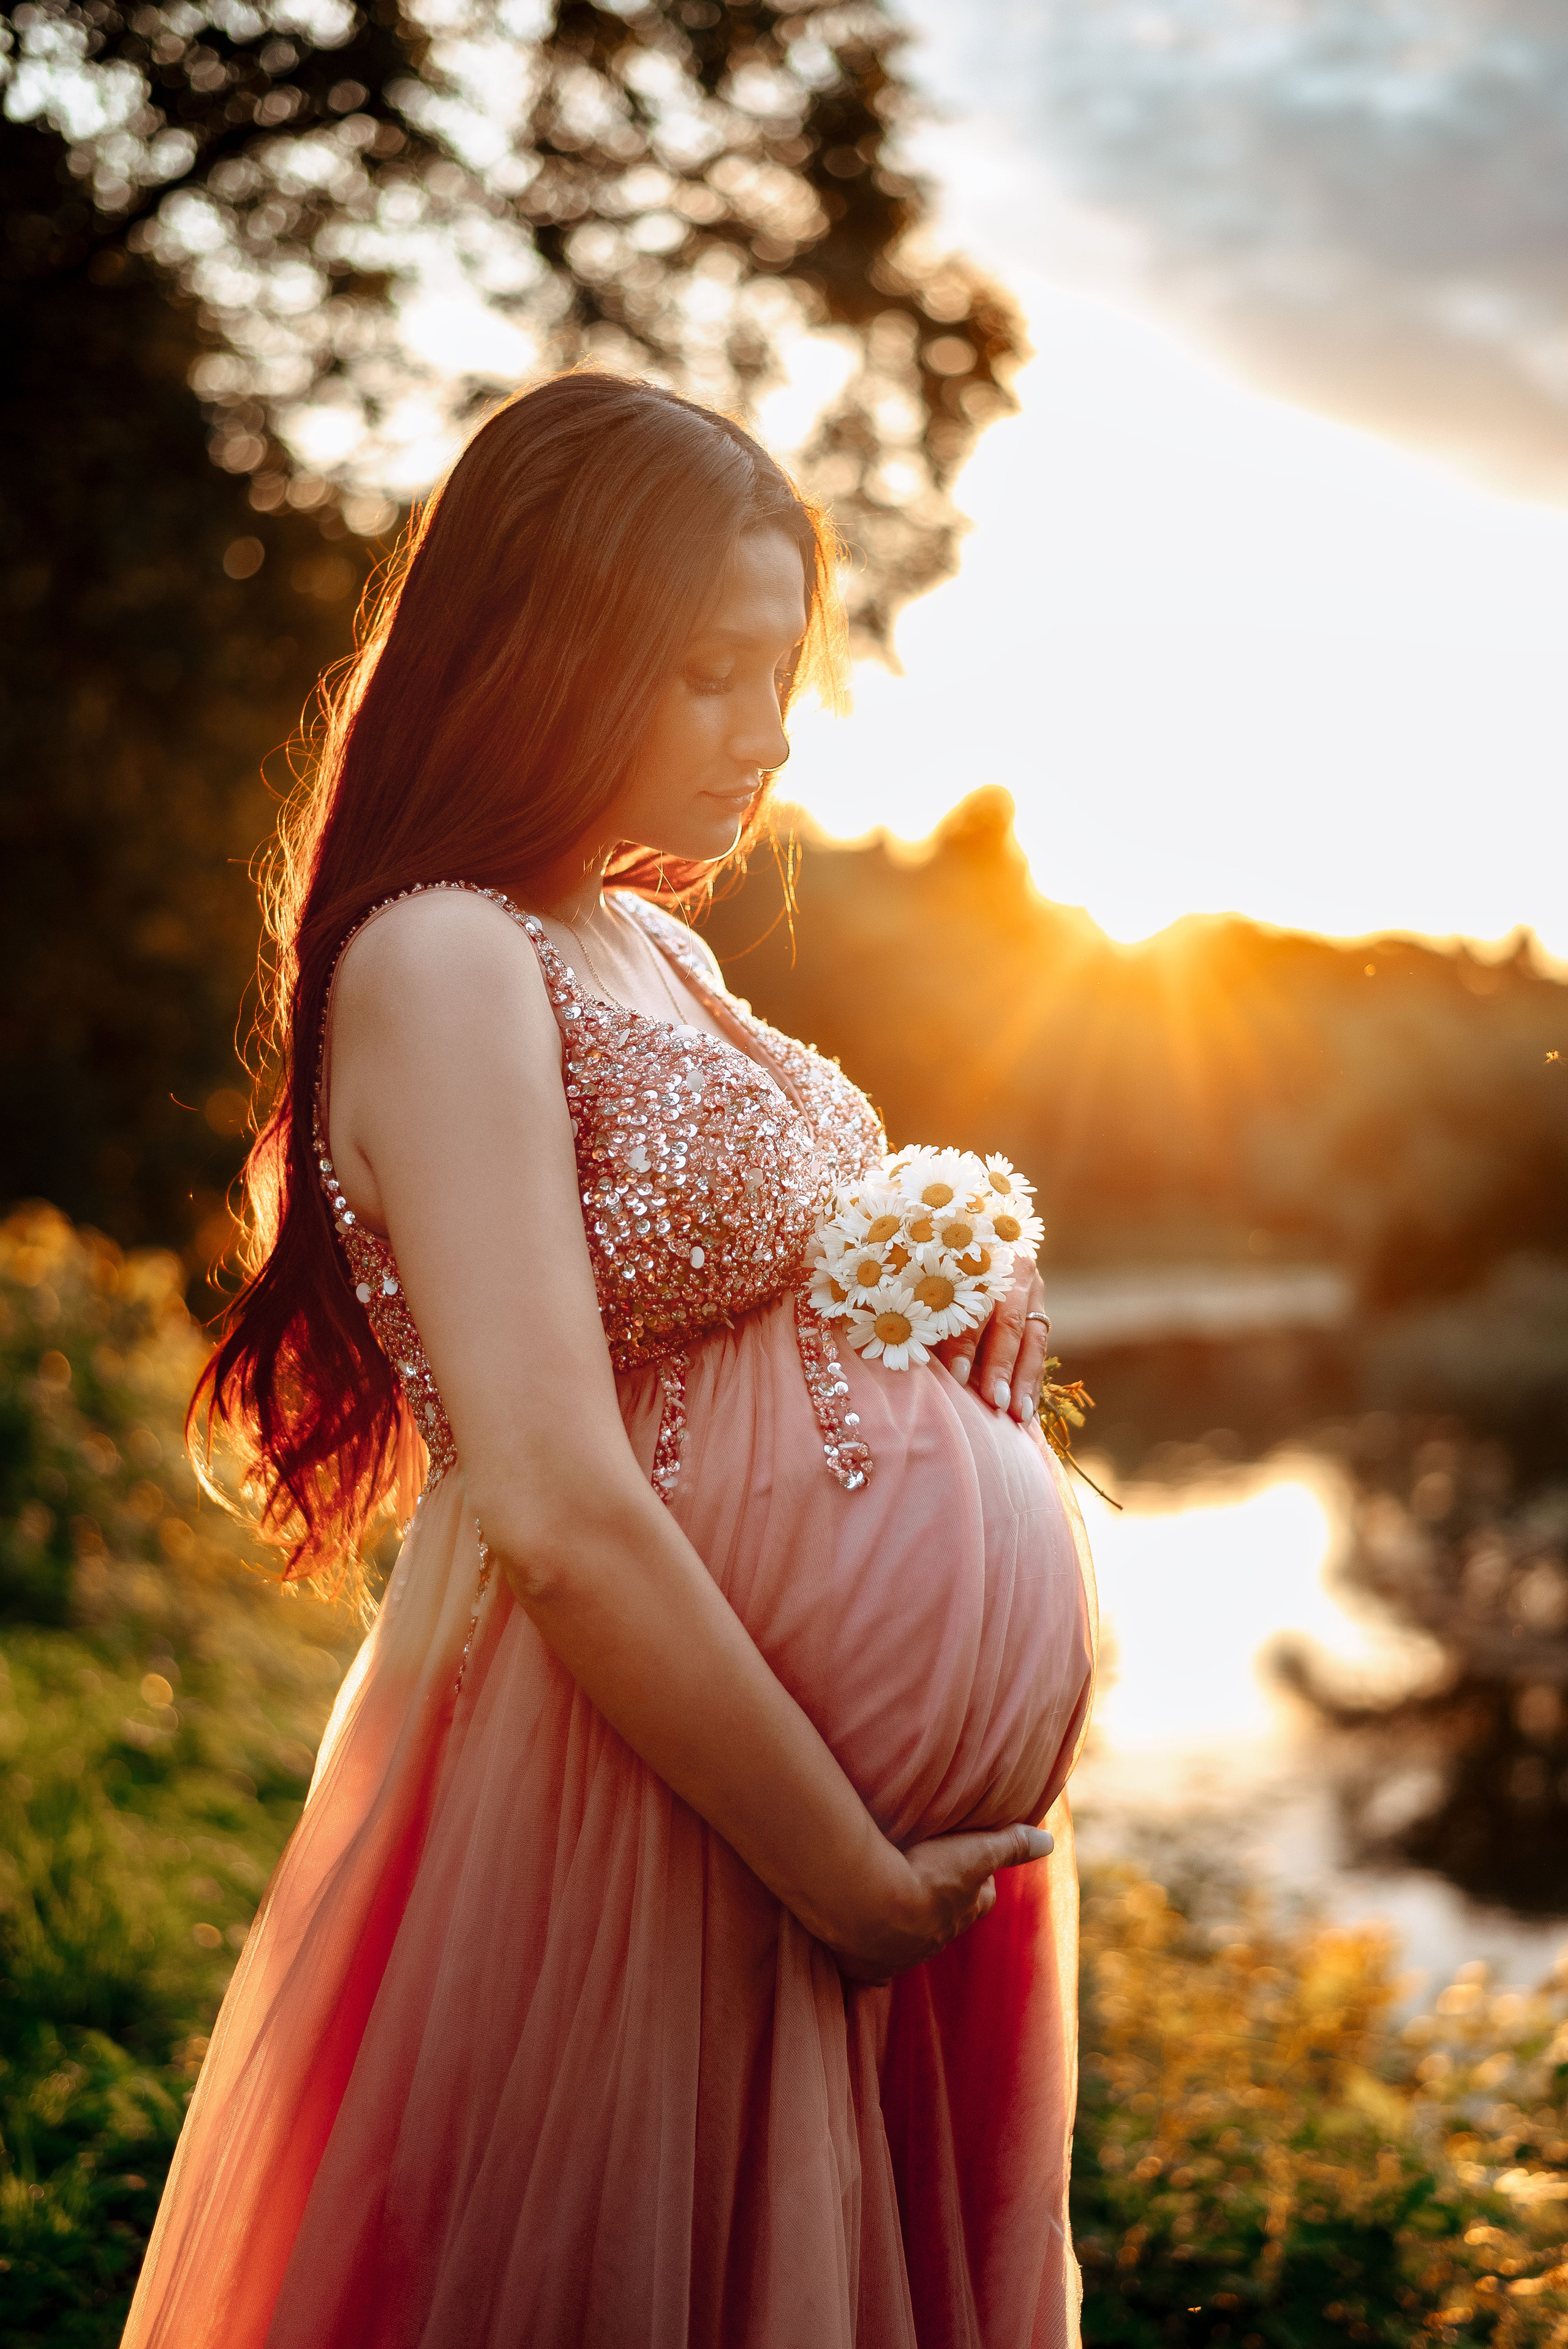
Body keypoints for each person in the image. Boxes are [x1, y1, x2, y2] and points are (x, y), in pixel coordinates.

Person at [121, 371, 1096, 2349]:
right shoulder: (444, 954)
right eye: (710, 676)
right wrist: (836, 1866)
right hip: (638, 1806)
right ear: (553, 651)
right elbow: (560, 1498)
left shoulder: (657, 945)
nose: (766, 735)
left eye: (778, 674)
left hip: (777, 1805)